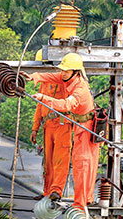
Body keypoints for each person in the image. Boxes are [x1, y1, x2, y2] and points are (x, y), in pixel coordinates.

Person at [22, 53, 102, 208]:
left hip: (81, 127)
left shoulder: (79, 89)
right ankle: (59, 194)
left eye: (66, 70)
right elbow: (52, 77)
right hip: (72, 127)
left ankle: (79, 201)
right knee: (52, 161)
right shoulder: (67, 79)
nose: (62, 73)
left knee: (81, 164)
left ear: (76, 71)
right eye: (62, 70)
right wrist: (35, 76)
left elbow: (65, 105)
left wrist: (43, 98)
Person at [29, 73, 73, 201]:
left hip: (62, 124)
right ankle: (47, 191)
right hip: (48, 125)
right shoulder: (44, 83)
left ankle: (56, 191)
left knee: (60, 160)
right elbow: (39, 106)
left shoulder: (65, 80)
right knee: (48, 161)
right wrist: (35, 128)